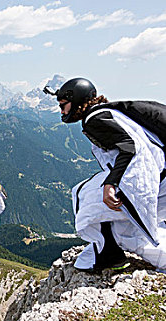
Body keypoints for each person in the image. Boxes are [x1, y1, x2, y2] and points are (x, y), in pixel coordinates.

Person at [44, 78, 166, 272]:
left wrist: (111, 184)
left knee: (81, 195)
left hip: (155, 181)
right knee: (121, 232)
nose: (62, 111)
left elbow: (129, 147)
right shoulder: (109, 112)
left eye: (63, 105)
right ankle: (110, 252)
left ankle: (107, 253)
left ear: (76, 101)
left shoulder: (95, 119)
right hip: (161, 180)